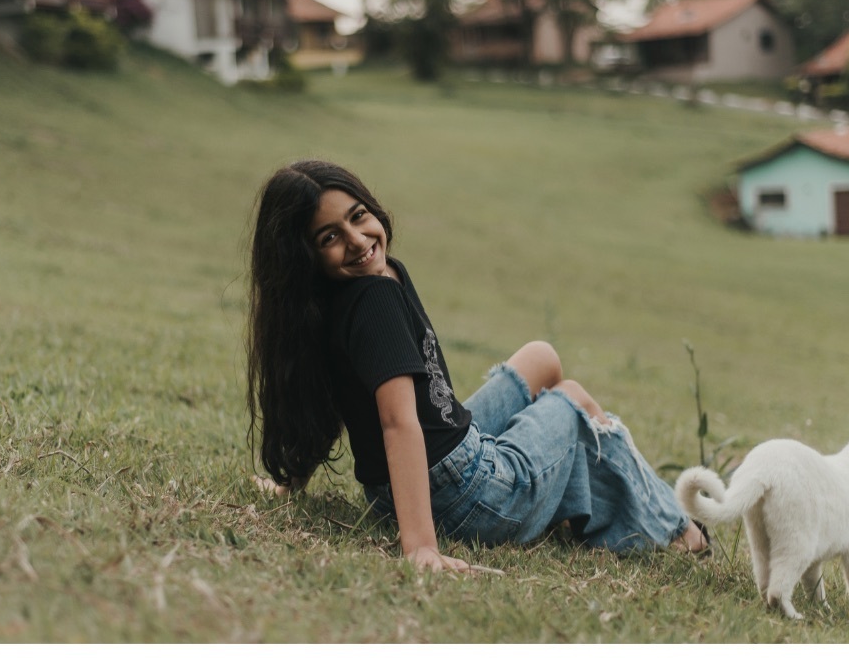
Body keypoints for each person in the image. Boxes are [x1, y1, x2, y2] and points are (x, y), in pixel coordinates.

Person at [246, 159, 710, 573]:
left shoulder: (341, 294)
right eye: (330, 238)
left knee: (541, 358)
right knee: (572, 400)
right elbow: (397, 422)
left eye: (358, 217)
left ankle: (585, 500)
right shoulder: (375, 301)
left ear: (371, 206)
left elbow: (329, 398)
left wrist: (291, 484)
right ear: (304, 257)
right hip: (468, 496)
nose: (358, 241)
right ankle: (674, 529)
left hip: (419, 473)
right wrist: (421, 547)